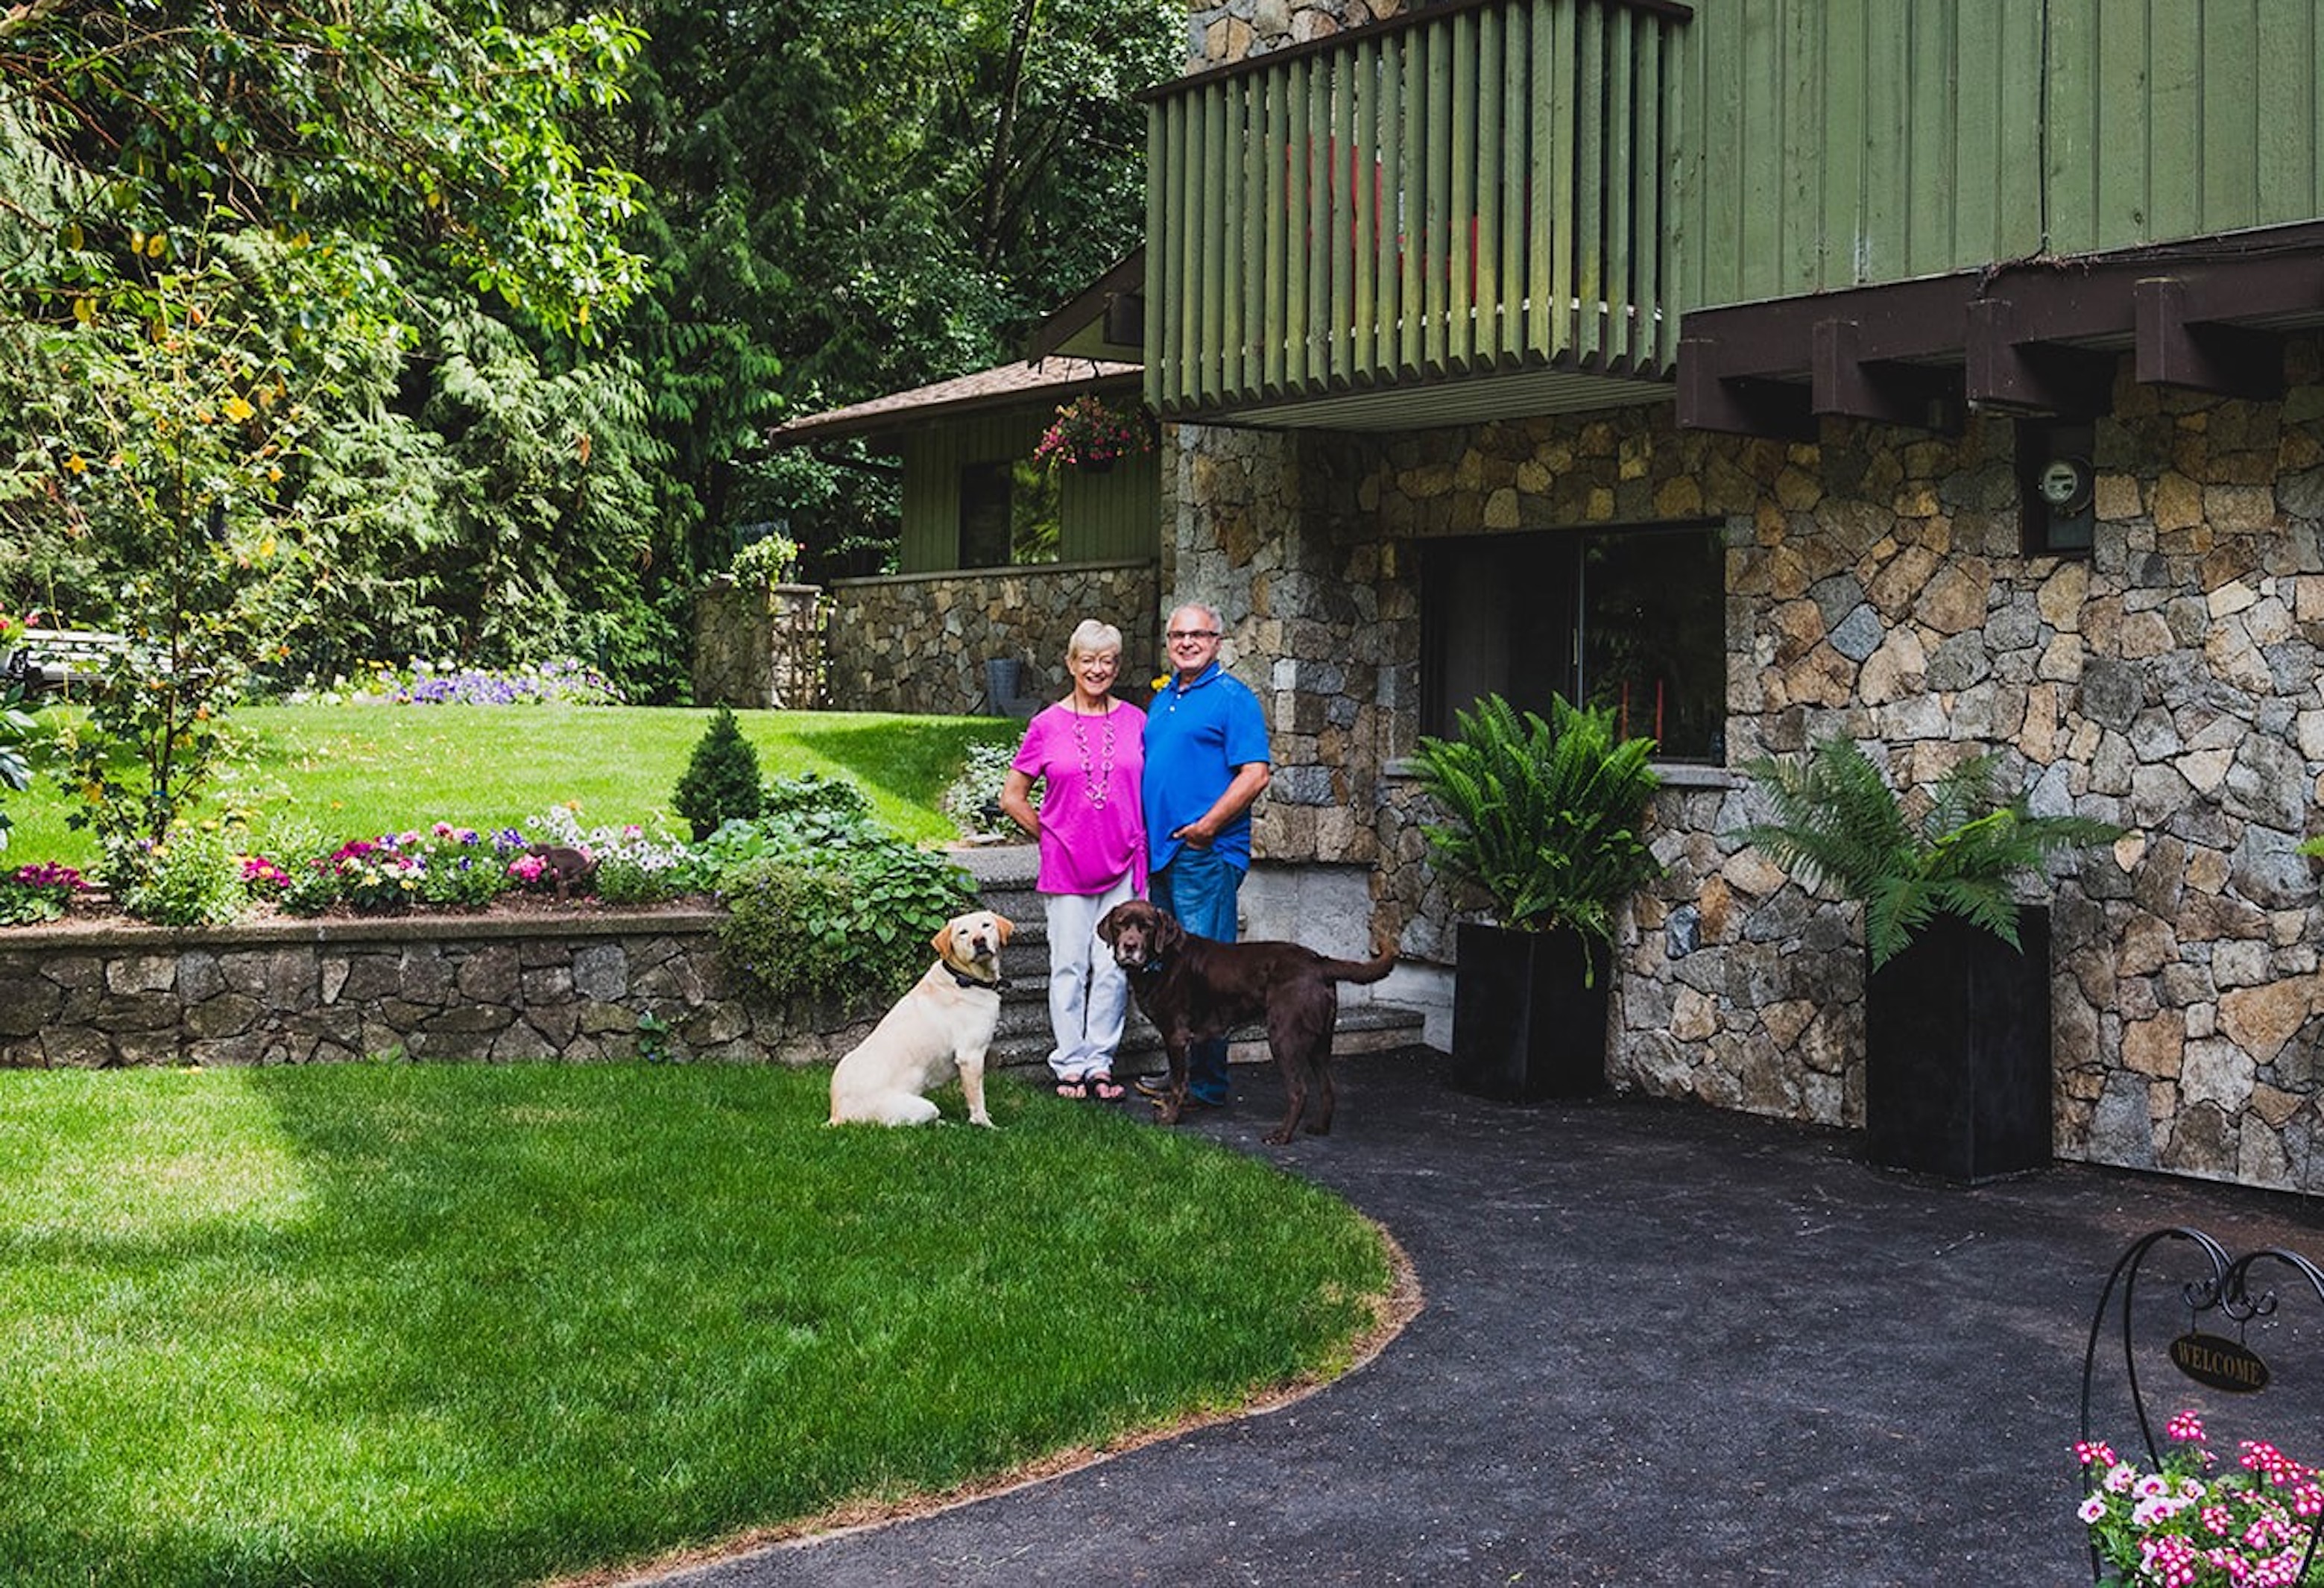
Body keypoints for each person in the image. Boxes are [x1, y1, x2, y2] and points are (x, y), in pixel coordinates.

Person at [1000, 620, 1146, 1101]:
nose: (1097, 669)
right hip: (1066, 866)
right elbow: (1012, 797)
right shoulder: (1046, 724)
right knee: (1068, 966)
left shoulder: (1136, 721)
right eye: (1088, 660)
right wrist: (1051, 837)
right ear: (1071, 663)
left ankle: (1100, 1064)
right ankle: (1069, 1066)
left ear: (1116, 666)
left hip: (1123, 861)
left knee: (1111, 967)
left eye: (1107, 661)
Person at [1134, 600, 1272, 1112]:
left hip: (1204, 855)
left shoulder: (1233, 699)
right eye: (1177, 635)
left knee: (1207, 972)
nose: (1186, 642)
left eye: (1198, 634)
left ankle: (1207, 1085)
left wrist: (1207, 828)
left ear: (1217, 641)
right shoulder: (1166, 697)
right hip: (1163, 856)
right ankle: (1181, 1076)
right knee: (1173, 972)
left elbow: (1255, 774)